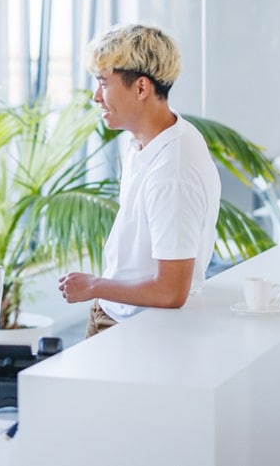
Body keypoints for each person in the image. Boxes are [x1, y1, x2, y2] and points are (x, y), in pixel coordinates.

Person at [57, 24, 221, 337]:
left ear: (141, 88)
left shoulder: (173, 171)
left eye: (103, 82)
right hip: (117, 313)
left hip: (134, 327)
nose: (96, 97)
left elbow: (171, 291)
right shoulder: (151, 141)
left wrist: (93, 285)